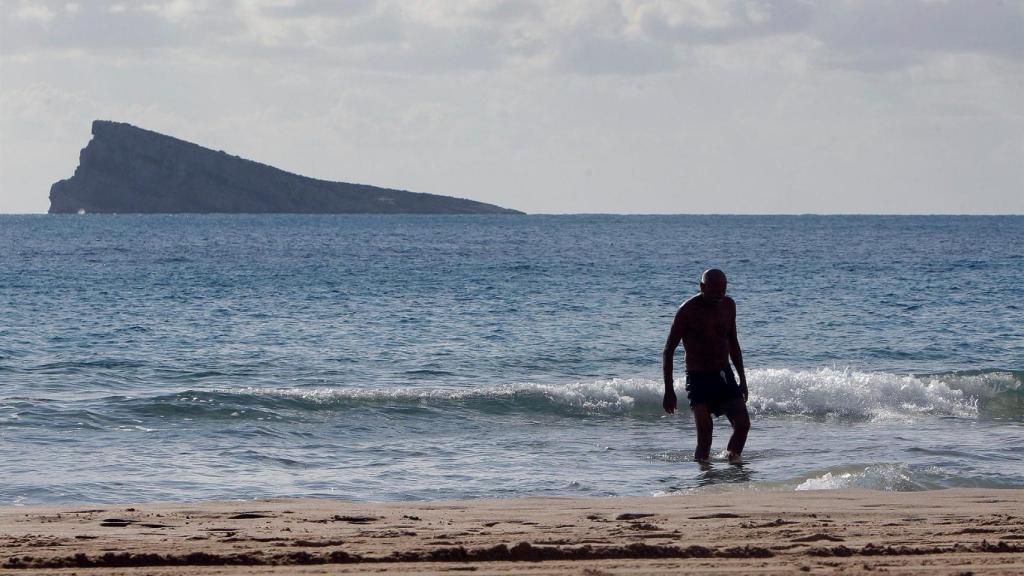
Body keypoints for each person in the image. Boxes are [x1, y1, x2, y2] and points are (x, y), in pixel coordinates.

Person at [662, 268, 750, 463]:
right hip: (698, 377)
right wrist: (669, 390)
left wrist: (742, 379)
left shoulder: (728, 306)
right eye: (713, 291)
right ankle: (704, 478)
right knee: (705, 433)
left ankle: (732, 466)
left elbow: (733, 343)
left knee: (743, 424)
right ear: (702, 287)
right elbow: (668, 351)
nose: (718, 296)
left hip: (723, 374)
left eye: (722, 290)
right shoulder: (687, 311)